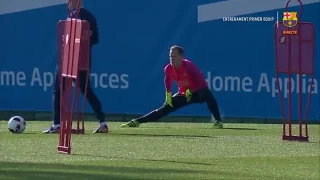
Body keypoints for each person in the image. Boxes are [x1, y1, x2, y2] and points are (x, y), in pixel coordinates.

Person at [43, 0, 109, 134]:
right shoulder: (90, 16)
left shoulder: (73, 17)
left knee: (58, 89)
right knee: (87, 91)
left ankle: (57, 124)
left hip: (69, 60)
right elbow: (96, 39)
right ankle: (103, 122)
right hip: (84, 60)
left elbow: (68, 40)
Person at [120, 45, 223, 128]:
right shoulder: (168, 68)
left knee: (207, 93)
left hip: (197, 93)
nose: (171, 59)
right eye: (170, 56)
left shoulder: (189, 66)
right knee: (163, 109)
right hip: (183, 95)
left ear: (181, 57)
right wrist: (168, 94)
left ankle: (218, 121)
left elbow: (203, 84)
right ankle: (137, 122)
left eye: (174, 56)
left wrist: (191, 90)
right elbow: (167, 80)